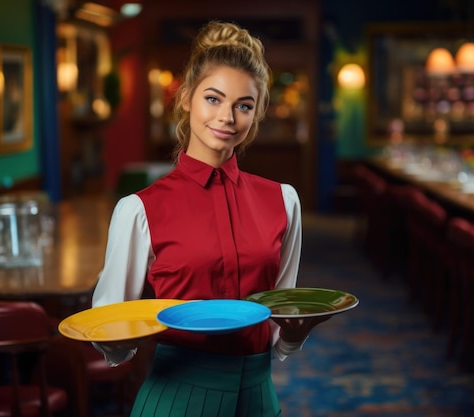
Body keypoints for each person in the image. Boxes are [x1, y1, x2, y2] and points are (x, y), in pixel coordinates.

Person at [91, 20, 327, 417]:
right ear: (186, 98)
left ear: (257, 113)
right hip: (177, 394)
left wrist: (295, 332)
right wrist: (121, 334)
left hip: (258, 396)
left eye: (244, 105)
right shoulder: (139, 209)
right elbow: (111, 332)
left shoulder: (284, 201)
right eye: (213, 99)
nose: (228, 118)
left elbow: (279, 318)